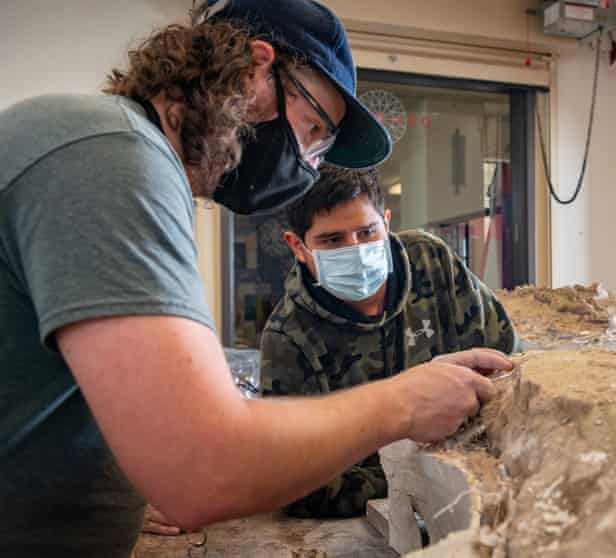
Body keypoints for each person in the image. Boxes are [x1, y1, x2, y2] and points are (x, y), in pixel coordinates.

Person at [0, 1, 511, 556]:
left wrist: (128, 477)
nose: (310, 165)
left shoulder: (120, 155)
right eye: (314, 129)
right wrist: (403, 403)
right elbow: (202, 465)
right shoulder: (107, 156)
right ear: (255, 70)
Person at [260, 164, 518, 518]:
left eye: (367, 232)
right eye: (333, 240)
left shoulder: (432, 262)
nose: (356, 249)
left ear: (386, 221)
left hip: (476, 488)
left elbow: (506, 359)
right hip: (368, 519)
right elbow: (301, 486)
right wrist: (417, 473)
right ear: (298, 246)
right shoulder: (288, 337)